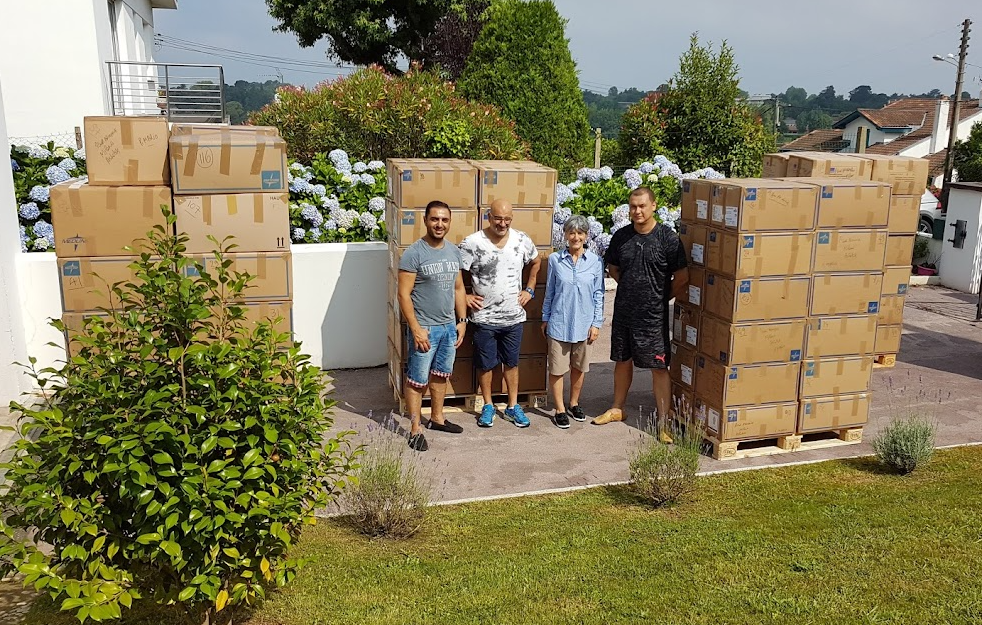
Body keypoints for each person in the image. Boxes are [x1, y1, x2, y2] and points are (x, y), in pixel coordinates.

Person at [593, 187, 689, 443]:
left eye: (642, 206)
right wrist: (631, 290)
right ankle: (617, 408)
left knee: (658, 366)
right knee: (622, 360)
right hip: (624, 312)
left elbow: (682, 278)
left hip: (653, 317)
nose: (637, 211)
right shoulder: (621, 237)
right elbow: (614, 268)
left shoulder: (668, 239)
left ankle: (664, 421)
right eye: (633, 207)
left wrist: (660, 297)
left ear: (653, 206)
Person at [460, 199, 542, 429]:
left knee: (511, 363)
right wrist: (464, 296)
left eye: (507, 219)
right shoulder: (472, 243)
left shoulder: (521, 240)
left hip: (513, 317)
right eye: (498, 218)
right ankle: (487, 405)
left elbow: (536, 262)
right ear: (488, 217)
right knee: (485, 364)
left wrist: (530, 289)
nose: (502, 223)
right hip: (483, 318)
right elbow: (456, 271)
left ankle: (513, 406)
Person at [397, 200, 469, 451]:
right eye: (435, 219)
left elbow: (459, 288)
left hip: (448, 326)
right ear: (425, 220)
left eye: (444, 220)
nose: (439, 224)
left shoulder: (453, 252)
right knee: (417, 380)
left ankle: (437, 418)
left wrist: (462, 321)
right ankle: (415, 429)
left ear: (450, 222)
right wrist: (415, 328)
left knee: (441, 374)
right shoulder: (414, 253)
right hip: (425, 328)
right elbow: (403, 295)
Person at [540, 215, 604, 429]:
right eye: (572, 232)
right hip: (559, 322)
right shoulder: (555, 260)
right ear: (565, 235)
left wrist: (596, 323)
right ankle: (559, 409)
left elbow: (598, 294)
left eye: (580, 233)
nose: (576, 237)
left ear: (586, 236)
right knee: (557, 368)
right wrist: (545, 318)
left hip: (584, 324)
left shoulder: (595, 262)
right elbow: (550, 291)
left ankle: (574, 403)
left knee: (579, 367)